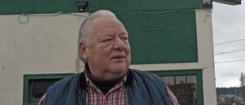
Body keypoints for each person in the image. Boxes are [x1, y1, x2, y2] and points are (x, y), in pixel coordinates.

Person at [39, 10, 179, 105]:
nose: (120, 45)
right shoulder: (55, 97)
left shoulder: (157, 90)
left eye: (124, 38)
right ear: (84, 49)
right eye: (108, 39)